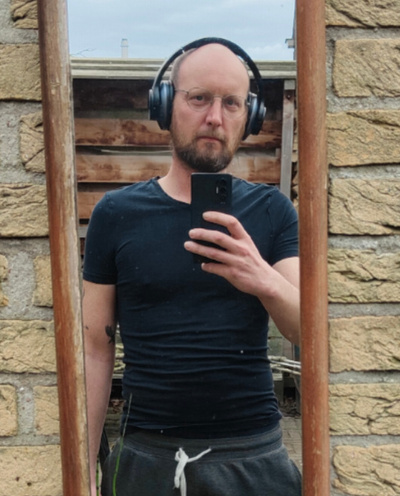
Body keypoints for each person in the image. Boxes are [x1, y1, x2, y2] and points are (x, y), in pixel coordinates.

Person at [83, 38, 301, 496]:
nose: (215, 117)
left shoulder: (273, 210)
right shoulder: (115, 213)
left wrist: (263, 278)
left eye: (232, 103)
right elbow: (94, 349)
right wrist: (80, 468)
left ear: (250, 117)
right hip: (146, 460)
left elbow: (308, 330)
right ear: (165, 106)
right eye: (199, 98)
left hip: (253, 459)